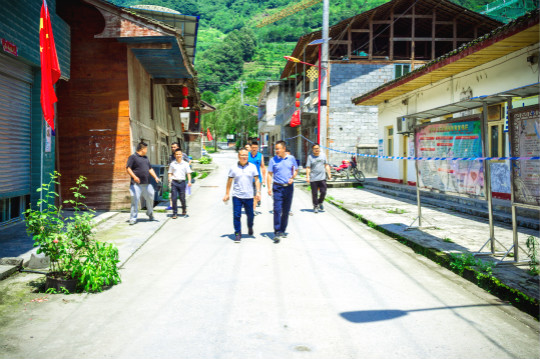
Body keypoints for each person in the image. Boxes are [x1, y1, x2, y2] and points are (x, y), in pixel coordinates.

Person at [223, 149, 261, 242]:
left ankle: (250, 226)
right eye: (242, 155)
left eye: (246, 155)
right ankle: (237, 233)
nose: (244, 157)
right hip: (237, 196)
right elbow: (229, 181)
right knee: (236, 215)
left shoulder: (252, 167)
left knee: (250, 215)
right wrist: (227, 193)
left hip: (249, 196)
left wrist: (258, 192)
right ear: (238, 156)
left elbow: (256, 180)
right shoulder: (233, 167)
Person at [267, 141, 298, 243]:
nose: (276, 151)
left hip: (288, 187)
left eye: (278, 149)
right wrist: (269, 187)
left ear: (284, 149)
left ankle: (282, 230)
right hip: (277, 187)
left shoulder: (291, 158)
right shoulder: (273, 160)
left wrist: (292, 177)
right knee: (277, 209)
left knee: (286, 210)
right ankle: (276, 231)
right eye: (275, 149)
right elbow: (269, 174)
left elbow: (296, 170)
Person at [126, 142, 161, 225]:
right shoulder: (133, 157)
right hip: (135, 184)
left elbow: (150, 169)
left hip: (147, 183)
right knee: (135, 201)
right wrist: (134, 177)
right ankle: (133, 218)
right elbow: (128, 168)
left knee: (150, 198)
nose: (147, 150)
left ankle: (150, 213)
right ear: (142, 149)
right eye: (146, 149)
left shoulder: (146, 158)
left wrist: (155, 177)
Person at [306, 143, 332, 213]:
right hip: (313, 178)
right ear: (313, 150)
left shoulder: (323, 156)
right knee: (314, 193)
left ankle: (320, 202)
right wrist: (307, 176)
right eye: (315, 149)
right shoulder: (310, 157)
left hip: (322, 178)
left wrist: (329, 174)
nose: (316, 150)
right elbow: (308, 167)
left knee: (323, 192)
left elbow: (326, 165)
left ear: (319, 148)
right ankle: (315, 206)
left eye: (317, 148)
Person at [168, 149, 193, 218]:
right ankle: (174, 213)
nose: (178, 155)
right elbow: (170, 173)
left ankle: (184, 209)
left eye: (179, 154)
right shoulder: (172, 164)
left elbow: (188, 173)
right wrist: (170, 180)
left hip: (182, 182)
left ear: (182, 155)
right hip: (174, 182)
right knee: (174, 198)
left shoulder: (185, 164)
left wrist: (189, 181)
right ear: (174, 155)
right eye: (177, 154)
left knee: (182, 198)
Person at [248, 141, 266, 213]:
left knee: (255, 194)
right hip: (248, 178)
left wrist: (264, 179)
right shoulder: (247, 155)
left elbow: (263, 167)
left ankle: (253, 209)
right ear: (251, 148)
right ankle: (251, 206)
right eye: (253, 147)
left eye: (255, 147)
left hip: (258, 179)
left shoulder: (260, 156)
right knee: (249, 194)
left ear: (257, 148)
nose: (254, 149)